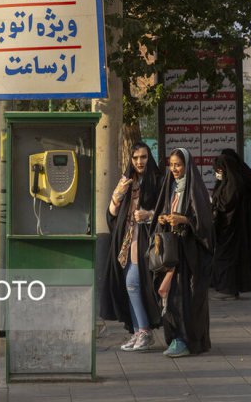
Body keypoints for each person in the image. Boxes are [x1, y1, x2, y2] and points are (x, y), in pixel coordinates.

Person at [99, 142, 162, 352]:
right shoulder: (127, 181)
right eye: (135, 158)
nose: (139, 162)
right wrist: (117, 194)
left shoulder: (157, 180)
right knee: (129, 286)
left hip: (145, 242)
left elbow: (165, 211)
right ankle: (138, 332)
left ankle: (144, 331)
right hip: (125, 242)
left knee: (133, 284)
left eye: (143, 157)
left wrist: (148, 215)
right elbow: (112, 214)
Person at [151, 147, 214, 357]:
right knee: (171, 296)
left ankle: (189, 340)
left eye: (178, 165)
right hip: (173, 252)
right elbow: (163, 211)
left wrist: (184, 219)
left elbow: (204, 223)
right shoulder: (170, 187)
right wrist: (163, 219)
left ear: (187, 166)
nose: (174, 169)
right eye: (172, 165)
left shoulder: (196, 189)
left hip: (190, 255)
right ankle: (176, 338)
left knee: (186, 297)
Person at [210, 153, 251, 299]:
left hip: (230, 228)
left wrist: (214, 204)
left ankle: (227, 290)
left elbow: (226, 204)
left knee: (225, 258)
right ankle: (229, 288)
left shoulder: (233, 184)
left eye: (219, 170)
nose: (217, 173)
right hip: (227, 228)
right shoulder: (228, 182)